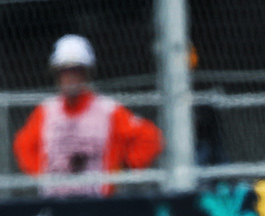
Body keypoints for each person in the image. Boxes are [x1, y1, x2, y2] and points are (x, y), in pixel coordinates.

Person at [13, 35, 163, 197]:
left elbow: (150, 137)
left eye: (76, 71)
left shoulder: (108, 111)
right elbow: (23, 145)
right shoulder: (46, 112)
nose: (70, 77)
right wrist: (43, 173)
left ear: (86, 74)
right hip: (55, 201)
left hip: (98, 202)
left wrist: (124, 166)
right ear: (57, 75)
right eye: (64, 71)